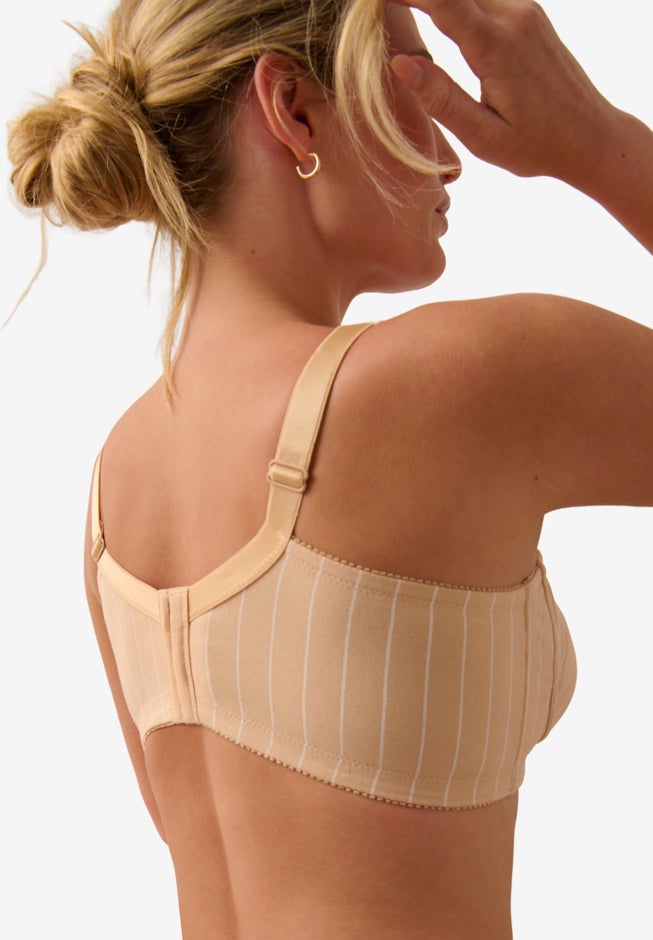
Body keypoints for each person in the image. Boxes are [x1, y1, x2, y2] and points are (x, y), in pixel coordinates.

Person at [6, 0, 652, 937]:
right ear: (295, 111)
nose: (452, 152)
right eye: (412, 85)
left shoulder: (119, 483)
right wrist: (596, 144)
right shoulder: (446, 383)